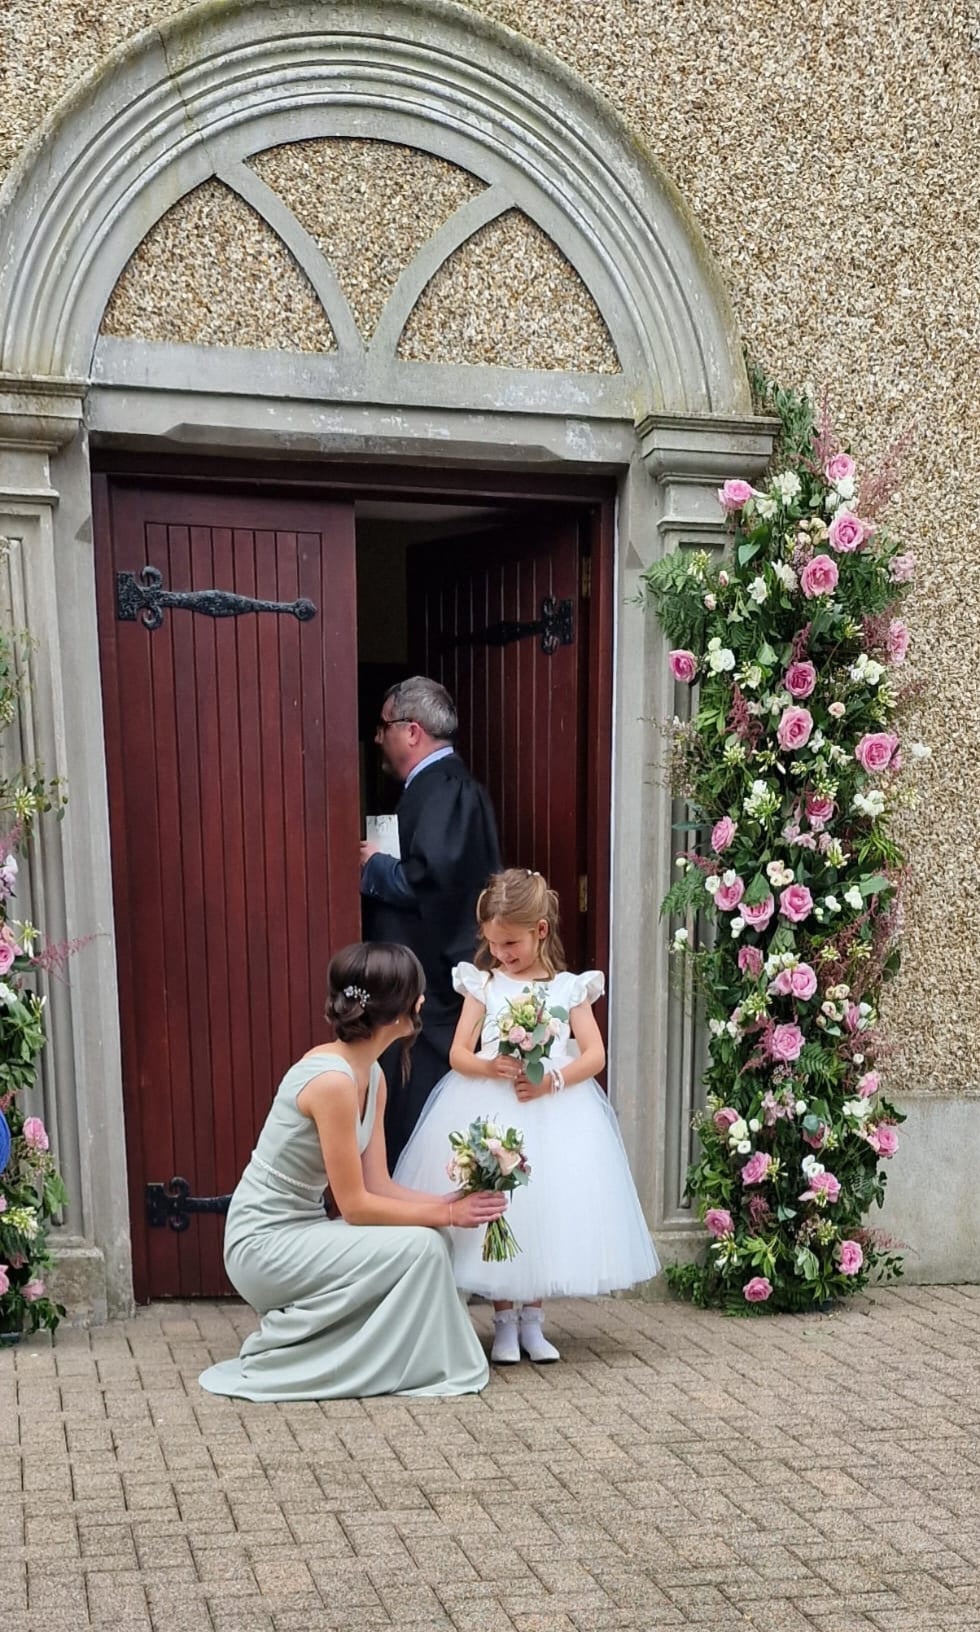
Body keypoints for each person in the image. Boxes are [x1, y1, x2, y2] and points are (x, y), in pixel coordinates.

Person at [198, 943, 507, 1401]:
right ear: (402, 1006)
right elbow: (356, 1207)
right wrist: (444, 1216)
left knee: (433, 1238)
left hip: (302, 1232)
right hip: (262, 1246)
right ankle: (380, 1361)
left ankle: (403, 1358)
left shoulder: (371, 1076)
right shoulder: (333, 1082)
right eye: (418, 993)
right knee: (424, 1242)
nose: (424, 1001)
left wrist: (447, 1204)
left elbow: (378, 1184)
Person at [394, 870, 660, 1365]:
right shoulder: (485, 985)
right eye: (493, 943)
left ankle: (533, 1322)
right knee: (500, 1201)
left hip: (552, 1110)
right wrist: (489, 1064)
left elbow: (594, 1055)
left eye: (510, 943)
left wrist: (551, 1080)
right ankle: (502, 1323)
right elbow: (457, 1053)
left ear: (540, 930)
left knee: (544, 1208)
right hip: (490, 1109)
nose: (501, 954)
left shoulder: (568, 988)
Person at [360, 676, 500, 1167]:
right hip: (418, 992)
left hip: (437, 999)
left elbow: (432, 884)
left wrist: (373, 865)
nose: (378, 737)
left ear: (412, 731)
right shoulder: (431, 789)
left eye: (384, 726)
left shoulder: (450, 790)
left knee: (425, 1118)